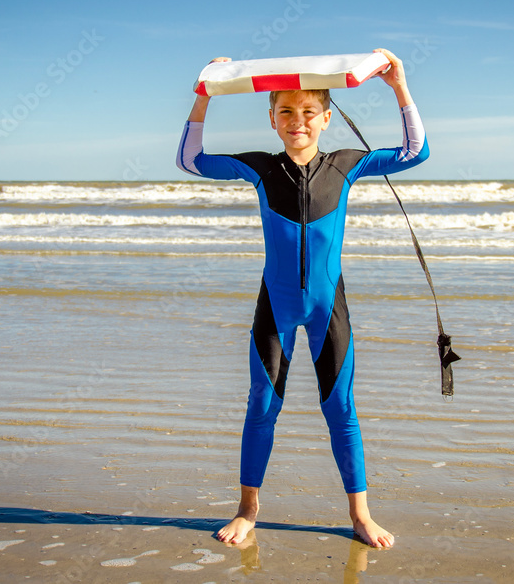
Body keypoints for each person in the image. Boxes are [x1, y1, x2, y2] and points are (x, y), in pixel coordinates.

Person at [175, 48, 428, 548]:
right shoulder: (262, 169)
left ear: (327, 117)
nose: (298, 121)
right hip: (276, 305)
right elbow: (190, 160)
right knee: (262, 405)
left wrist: (399, 85)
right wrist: (204, 94)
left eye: (309, 111)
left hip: (327, 307)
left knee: (341, 409)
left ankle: (360, 514)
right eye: (286, 112)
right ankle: (248, 509)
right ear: (272, 119)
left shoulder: (347, 166)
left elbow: (414, 152)